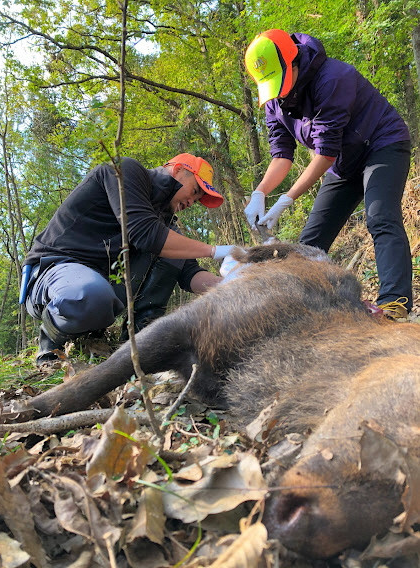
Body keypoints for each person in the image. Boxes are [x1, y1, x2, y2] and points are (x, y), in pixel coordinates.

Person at [243, 29, 413, 319]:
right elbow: (281, 156)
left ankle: (394, 305)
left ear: (294, 62)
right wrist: (260, 193)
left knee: (380, 216)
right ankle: (301, 311)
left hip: (381, 145)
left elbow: (325, 151)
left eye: (280, 81)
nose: (279, 91)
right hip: (342, 164)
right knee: (309, 243)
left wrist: (286, 199)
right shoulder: (274, 102)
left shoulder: (334, 77)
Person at [22, 153, 235, 366]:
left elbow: (189, 272)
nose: (191, 201)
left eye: (197, 200)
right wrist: (214, 250)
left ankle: (140, 334)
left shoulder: (165, 223)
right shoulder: (125, 171)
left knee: (176, 250)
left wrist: (232, 284)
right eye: (194, 191)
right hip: (54, 271)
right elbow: (145, 233)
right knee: (91, 295)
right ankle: (50, 342)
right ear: (177, 169)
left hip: (97, 287)